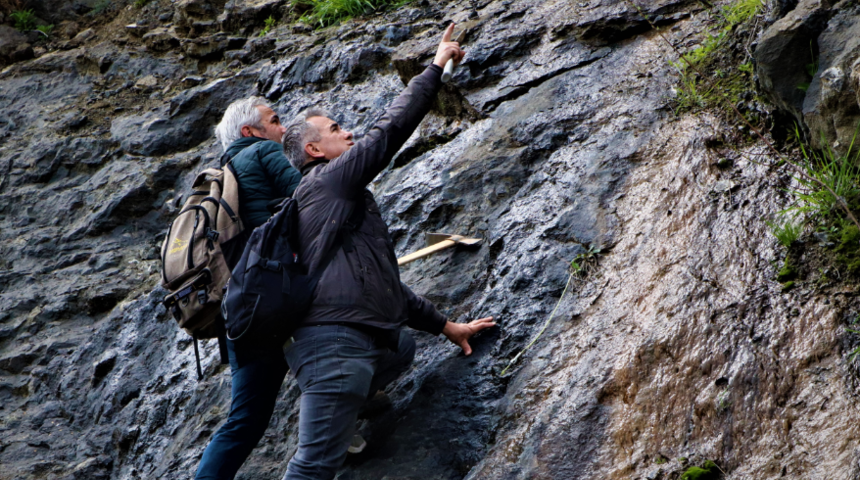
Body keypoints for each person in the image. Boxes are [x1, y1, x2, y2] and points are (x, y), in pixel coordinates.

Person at [279, 24, 496, 480]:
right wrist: (434, 68)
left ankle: (349, 406)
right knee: (313, 467)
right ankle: (337, 404)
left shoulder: (337, 201)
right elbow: (388, 132)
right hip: (333, 346)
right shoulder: (327, 180)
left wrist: (445, 326)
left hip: (354, 338)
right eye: (336, 129)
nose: (349, 132)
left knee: (400, 345)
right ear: (314, 149)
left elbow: (378, 286)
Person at [195, 96, 302, 480]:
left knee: (244, 421)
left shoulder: (223, 177)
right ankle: (355, 412)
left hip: (239, 309)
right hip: (278, 295)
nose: (283, 129)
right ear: (250, 131)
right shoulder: (262, 151)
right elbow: (314, 195)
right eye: (275, 121)